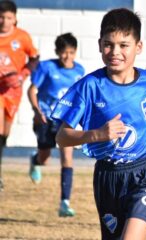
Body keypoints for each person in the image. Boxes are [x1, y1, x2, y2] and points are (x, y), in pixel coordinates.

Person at [51, 8, 146, 240]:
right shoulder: (89, 86)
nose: (115, 52)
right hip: (108, 177)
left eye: (124, 45)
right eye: (108, 44)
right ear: (99, 44)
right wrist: (96, 134)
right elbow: (61, 137)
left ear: (139, 47)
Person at [27, 32, 85, 217]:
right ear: (57, 52)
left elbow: (79, 97)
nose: (67, 57)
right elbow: (32, 90)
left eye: (71, 52)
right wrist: (37, 111)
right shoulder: (46, 67)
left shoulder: (79, 71)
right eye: (63, 52)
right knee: (45, 157)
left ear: (75, 52)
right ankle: (35, 161)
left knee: (67, 158)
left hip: (64, 121)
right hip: (45, 118)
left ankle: (64, 203)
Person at [0, 0, 39, 191]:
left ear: (15, 18)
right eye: (1, 17)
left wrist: (22, 75)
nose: (4, 21)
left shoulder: (22, 37)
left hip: (13, 90)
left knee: (4, 133)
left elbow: (34, 58)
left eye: (8, 17)